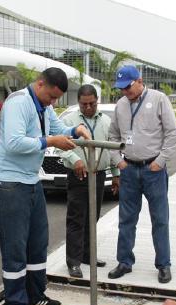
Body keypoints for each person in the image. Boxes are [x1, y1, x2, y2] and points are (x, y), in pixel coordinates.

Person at [0, 67, 91, 305]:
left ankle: (35, 294)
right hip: (8, 180)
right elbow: (13, 143)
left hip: (31, 179)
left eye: (57, 99)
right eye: (51, 97)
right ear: (40, 83)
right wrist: (51, 141)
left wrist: (75, 129)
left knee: (37, 239)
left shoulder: (43, 105)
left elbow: (57, 128)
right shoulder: (18, 103)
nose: (53, 102)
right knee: (15, 244)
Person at [107, 65, 176, 284]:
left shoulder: (158, 99)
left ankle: (163, 264)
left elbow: (172, 133)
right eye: (121, 88)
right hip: (128, 169)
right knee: (126, 219)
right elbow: (112, 136)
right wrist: (118, 160)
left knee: (160, 219)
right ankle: (124, 261)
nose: (125, 92)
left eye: (128, 87)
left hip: (153, 170)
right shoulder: (120, 105)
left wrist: (160, 161)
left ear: (139, 80)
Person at [60, 85, 119, 279]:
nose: (87, 108)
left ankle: (87, 255)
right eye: (84, 104)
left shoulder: (106, 121)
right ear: (78, 103)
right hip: (79, 175)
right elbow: (62, 146)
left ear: (97, 101)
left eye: (91, 104)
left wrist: (116, 174)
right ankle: (74, 262)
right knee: (76, 219)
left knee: (93, 217)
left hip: (99, 175)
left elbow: (111, 151)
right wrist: (74, 160)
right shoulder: (69, 121)